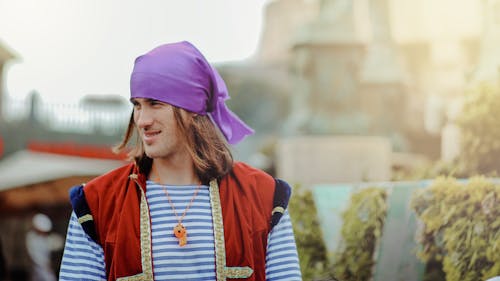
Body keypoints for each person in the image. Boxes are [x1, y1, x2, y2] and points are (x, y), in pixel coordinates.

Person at [59, 41, 302, 281]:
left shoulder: (263, 196)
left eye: (155, 104)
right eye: (137, 105)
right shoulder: (97, 202)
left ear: (193, 109)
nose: (142, 120)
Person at [26, 213, 63, 281]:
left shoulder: (45, 238)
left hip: (44, 267)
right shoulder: (31, 238)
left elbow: (55, 244)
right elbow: (35, 255)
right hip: (40, 267)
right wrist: (45, 265)